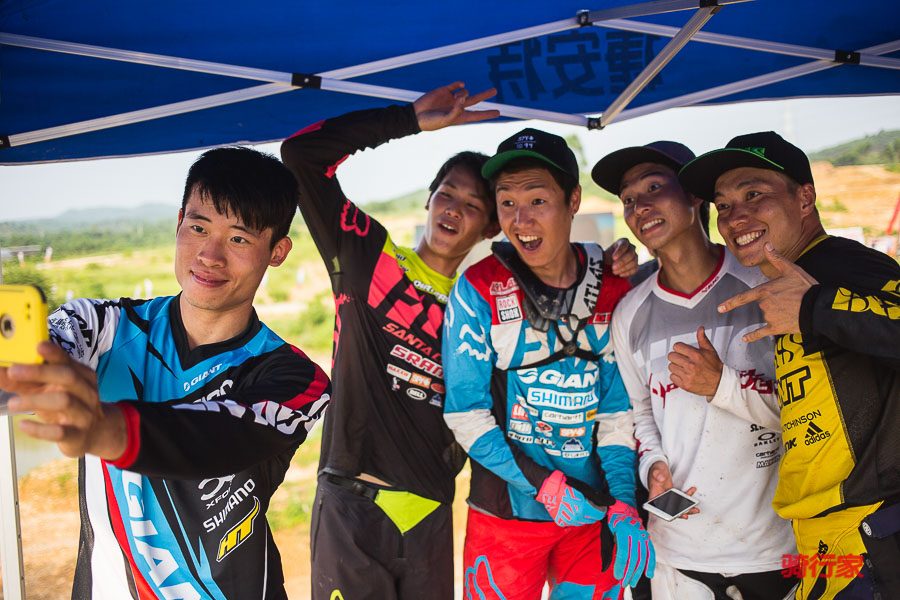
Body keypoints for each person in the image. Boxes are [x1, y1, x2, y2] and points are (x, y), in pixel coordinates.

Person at [280, 83, 638, 600]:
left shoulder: (484, 302)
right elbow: (300, 155)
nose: (453, 209)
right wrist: (406, 119)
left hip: (433, 510)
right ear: (429, 198)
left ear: (491, 226)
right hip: (351, 503)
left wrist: (609, 261)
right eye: (446, 193)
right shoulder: (368, 261)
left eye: (473, 204)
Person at [0, 146, 332, 599]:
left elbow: (211, 438)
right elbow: (29, 362)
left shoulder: (297, 379)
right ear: (178, 224)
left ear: (277, 251)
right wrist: (26, 376)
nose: (210, 255)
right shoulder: (101, 325)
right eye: (198, 228)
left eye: (239, 239)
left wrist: (104, 427)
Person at [679, 131, 900, 600]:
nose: (734, 217)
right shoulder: (788, 284)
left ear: (805, 198)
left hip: (873, 539)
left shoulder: (841, 266)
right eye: (722, 205)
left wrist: (816, 307)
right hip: (825, 546)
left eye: (753, 195)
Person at [442, 128, 652, 600]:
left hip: (592, 513)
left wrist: (623, 500)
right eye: (507, 203)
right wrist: (542, 485)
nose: (522, 220)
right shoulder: (477, 289)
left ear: (573, 200)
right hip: (506, 515)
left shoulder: (612, 284)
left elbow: (617, 411)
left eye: (537, 200)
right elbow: (465, 413)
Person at [596, 141, 796, 600]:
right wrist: (653, 466)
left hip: (771, 548)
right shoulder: (630, 313)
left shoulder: (765, 286)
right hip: (676, 554)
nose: (640, 207)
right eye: (628, 199)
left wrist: (722, 385)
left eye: (654, 188)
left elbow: (810, 411)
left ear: (694, 196)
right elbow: (640, 413)